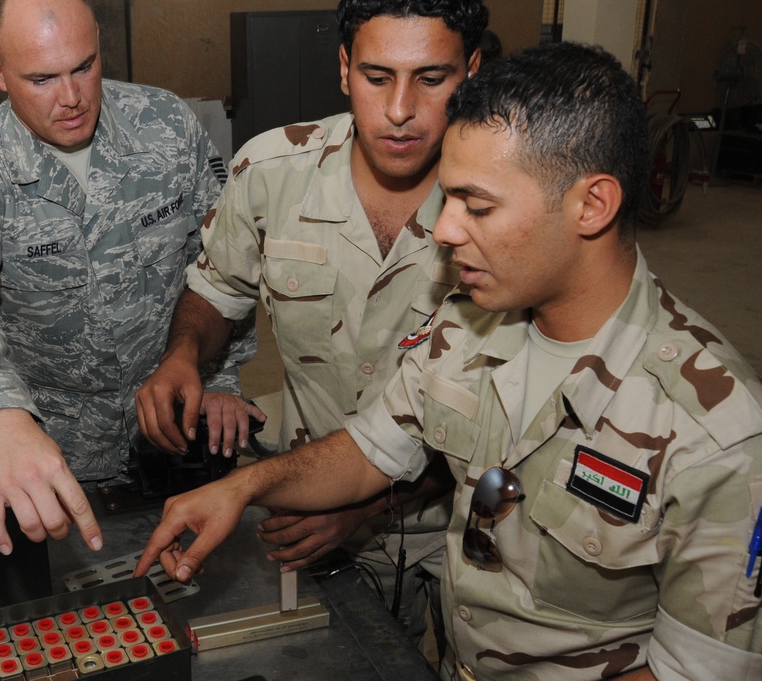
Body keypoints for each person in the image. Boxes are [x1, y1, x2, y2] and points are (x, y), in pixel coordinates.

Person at [136, 42, 762, 680]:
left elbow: (696, 671)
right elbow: (368, 452)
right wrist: (242, 488)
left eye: (477, 205)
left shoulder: (719, 435)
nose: (443, 229)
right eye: (448, 198)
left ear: (592, 205)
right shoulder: (468, 324)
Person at [136, 0, 488, 645]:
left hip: (455, 537)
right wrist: (183, 355)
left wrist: (366, 508)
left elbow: (508, 413)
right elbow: (217, 288)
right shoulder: (272, 172)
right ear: (342, 68)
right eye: (376, 76)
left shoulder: (499, 209)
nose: (399, 111)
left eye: (431, 78)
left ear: (472, 72)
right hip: (299, 522)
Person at [0, 0, 254, 557]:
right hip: (51, 464)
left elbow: (223, 258)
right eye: (41, 78)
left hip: (176, 438)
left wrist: (222, 376)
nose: (72, 97)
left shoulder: (166, 128)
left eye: (84, 66)